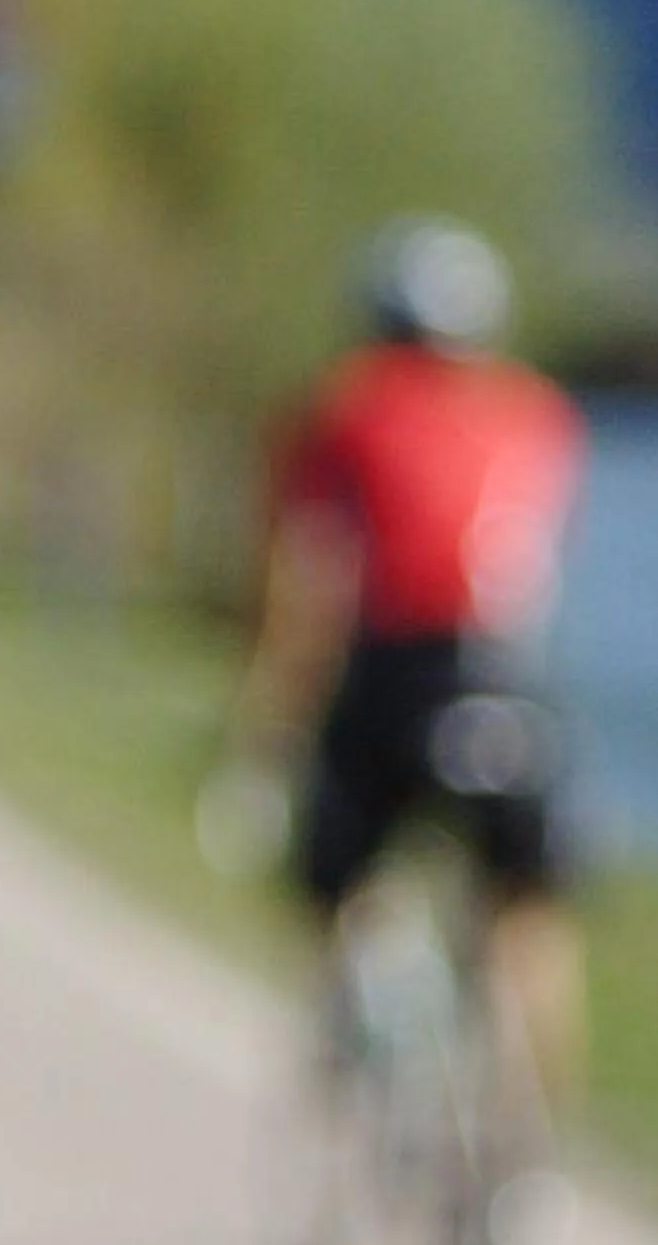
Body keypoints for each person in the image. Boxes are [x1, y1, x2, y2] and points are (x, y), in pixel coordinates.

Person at [234, 218, 591, 1115]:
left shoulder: (344, 408)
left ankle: (371, 1007)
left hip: (397, 677)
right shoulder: (540, 414)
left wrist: (265, 723)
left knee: (337, 874)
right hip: (515, 684)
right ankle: (534, 1153)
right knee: (529, 912)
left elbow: (306, 578)